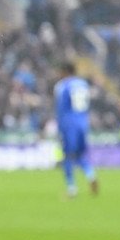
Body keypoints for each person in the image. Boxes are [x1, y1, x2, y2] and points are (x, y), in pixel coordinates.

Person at [53, 61, 99, 197]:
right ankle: (91, 176)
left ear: (64, 72)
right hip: (83, 122)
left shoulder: (62, 86)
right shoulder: (83, 84)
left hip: (69, 123)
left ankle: (71, 189)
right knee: (79, 154)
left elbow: (61, 108)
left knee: (67, 155)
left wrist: (60, 127)